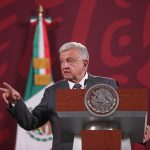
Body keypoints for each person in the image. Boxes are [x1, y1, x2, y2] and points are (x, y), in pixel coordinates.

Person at [0, 42, 149, 150]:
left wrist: (140, 133)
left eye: (70, 61)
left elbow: (121, 121)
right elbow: (30, 122)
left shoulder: (107, 85)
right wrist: (17, 102)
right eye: (62, 61)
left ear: (85, 63)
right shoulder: (52, 92)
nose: (64, 65)